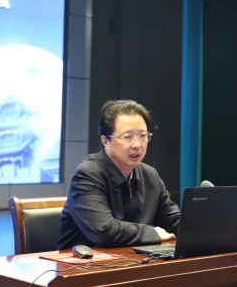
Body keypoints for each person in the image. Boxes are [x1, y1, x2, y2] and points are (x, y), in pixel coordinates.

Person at [56, 99, 180, 249]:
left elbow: (172, 221)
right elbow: (104, 231)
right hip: (85, 262)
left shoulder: (150, 175)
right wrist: (152, 233)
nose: (137, 145)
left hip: (133, 260)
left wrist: (200, 229)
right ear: (105, 141)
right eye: (127, 137)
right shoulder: (87, 175)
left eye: (142, 136)